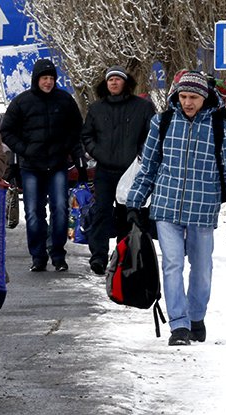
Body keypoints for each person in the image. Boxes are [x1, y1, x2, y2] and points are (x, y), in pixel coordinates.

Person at [125, 71, 226, 346]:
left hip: (203, 207)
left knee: (202, 267)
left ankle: (196, 318)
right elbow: (148, 167)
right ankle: (179, 325)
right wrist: (135, 203)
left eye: (193, 97)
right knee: (172, 264)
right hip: (166, 205)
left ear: (204, 97)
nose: (187, 102)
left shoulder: (221, 127)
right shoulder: (162, 122)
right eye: (183, 96)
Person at [0, 58, 84, 272]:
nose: (48, 82)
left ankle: (57, 254)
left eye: (51, 78)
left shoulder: (65, 100)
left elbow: (76, 130)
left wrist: (73, 154)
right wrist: (24, 149)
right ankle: (38, 256)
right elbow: (6, 131)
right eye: (44, 78)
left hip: (57, 165)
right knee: (33, 213)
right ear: (36, 79)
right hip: (31, 167)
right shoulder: (21, 102)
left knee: (60, 209)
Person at [80, 65, 156, 275]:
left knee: (127, 215)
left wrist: (140, 156)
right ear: (105, 84)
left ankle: (123, 256)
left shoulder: (142, 107)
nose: (114, 82)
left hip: (131, 172)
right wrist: (97, 152)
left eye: (118, 79)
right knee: (102, 213)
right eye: (110, 79)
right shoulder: (97, 108)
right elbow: (87, 135)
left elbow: (151, 136)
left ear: (126, 82)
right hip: (105, 170)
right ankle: (98, 257)